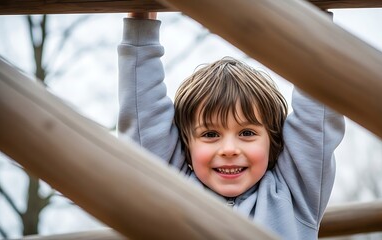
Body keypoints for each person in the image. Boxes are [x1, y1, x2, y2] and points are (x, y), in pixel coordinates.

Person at [117, 12, 345, 240]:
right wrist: (141, 26)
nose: (229, 149)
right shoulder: (171, 191)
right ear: (187, 143)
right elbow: (143, 114)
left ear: (272, 141)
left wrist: (315, 20)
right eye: (210, 134)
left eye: (247, 133)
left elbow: (316, 117)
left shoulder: (295, 194)